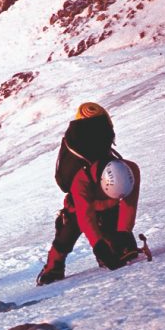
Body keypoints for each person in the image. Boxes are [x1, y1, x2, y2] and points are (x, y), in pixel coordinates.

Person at [36, 102, 141, 285]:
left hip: (109, 206)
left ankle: (111, 247)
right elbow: (85, 216)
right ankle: (53, 267)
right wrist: (98, 246)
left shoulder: (130, 170)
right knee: (65, 239)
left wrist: (124, 232)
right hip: (79, 207)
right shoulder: (81, 180)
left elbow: (129, 204)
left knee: (123, 249)